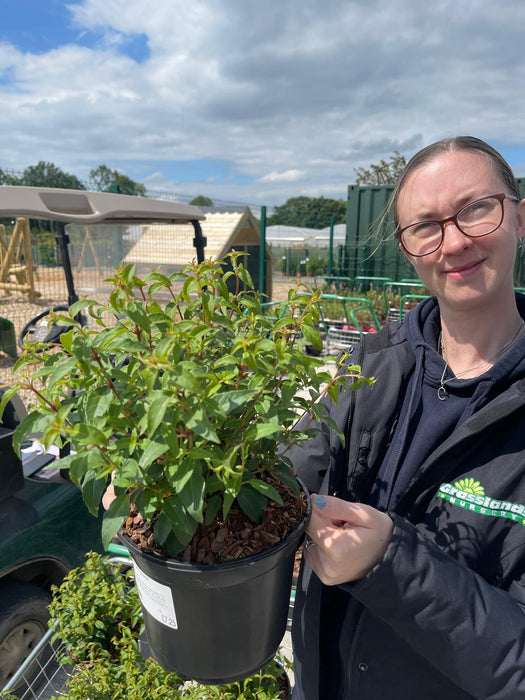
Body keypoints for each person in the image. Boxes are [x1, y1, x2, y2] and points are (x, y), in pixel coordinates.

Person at [289, 136, 525, 699]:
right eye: (425, 226)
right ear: (408, 247)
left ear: (520, 218)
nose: (455, 241)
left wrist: (390, 564)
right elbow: (293, 467)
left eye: (475, 209)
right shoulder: (371, 364)